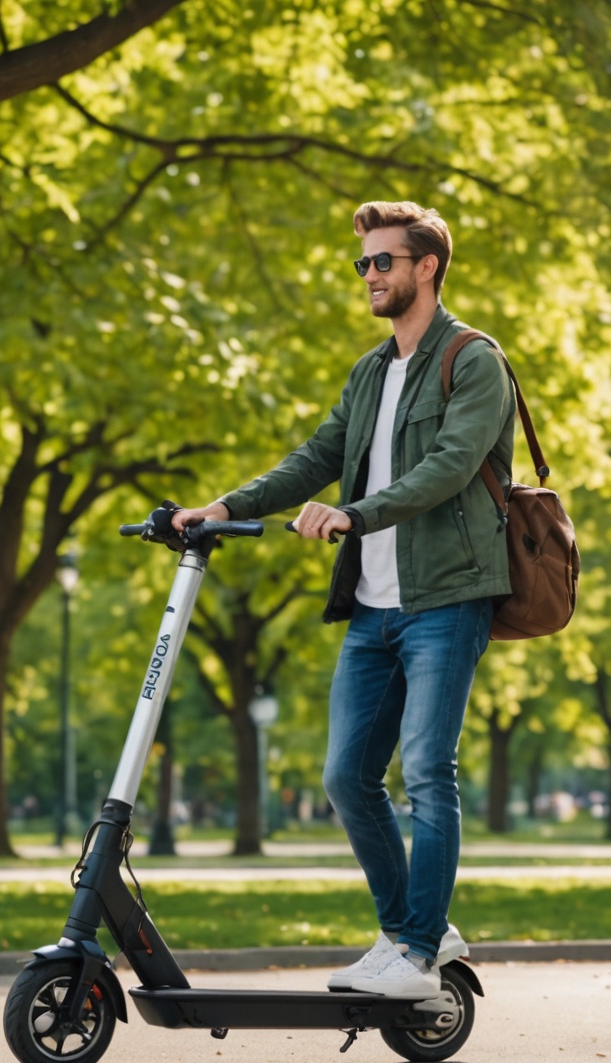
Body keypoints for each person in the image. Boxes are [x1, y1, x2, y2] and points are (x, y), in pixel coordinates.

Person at [172, 200, 515, 998]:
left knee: (428, 769)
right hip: (374, 608)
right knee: (346, 778)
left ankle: (421, 951)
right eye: (362, 263)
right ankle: (409, 933)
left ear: (426, 267)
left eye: (382, 261)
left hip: (445, 599)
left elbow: (452, 466)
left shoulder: (472, 360)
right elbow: (316, 456)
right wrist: (225, 507)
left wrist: (355, 514)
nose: (368, 275)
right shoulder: (370, 372)